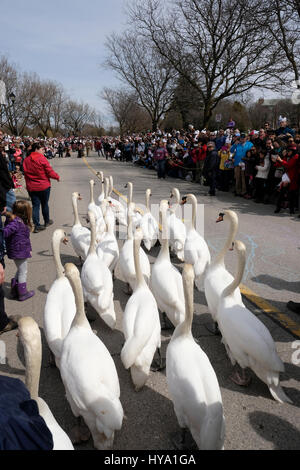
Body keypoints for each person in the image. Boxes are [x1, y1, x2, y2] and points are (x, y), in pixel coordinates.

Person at [23, 143, 60, 233]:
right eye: (42, 149)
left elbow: (25, 173)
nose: (44, 151)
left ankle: (37, 225)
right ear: (36, 149)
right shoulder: (42, 159)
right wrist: (57, 177)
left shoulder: (26, 160)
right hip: (43, 185)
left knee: (35, 206)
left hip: (32, 187)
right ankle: (46, 221)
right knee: (44, 204)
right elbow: (49, 171)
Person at [2, 201, 35, 301]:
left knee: (20, 269)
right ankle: (22, 293)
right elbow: (5, 232)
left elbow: (24, 238)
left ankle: (14, 290)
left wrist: (29, 249)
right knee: (23, 272)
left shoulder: (16, 220)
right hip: (19, 251)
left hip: (19, 250)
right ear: (25, 212)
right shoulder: (16, 222)